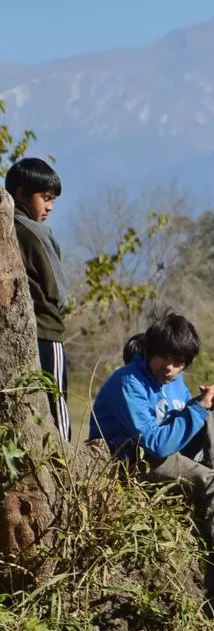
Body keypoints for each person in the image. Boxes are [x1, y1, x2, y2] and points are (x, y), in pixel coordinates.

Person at [90, 313, 214, 614]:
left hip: (163, 455)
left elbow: (180, 422)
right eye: (163, 357)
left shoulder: (175, 381)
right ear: (149, 352)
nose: (169, 367)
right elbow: (156, 444)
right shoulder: (127, 383)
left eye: (178, 361)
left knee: (212, 414)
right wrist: (197, 411)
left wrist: (206, 405)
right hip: (132, 463)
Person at [8, 157, 71, 441]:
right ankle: (67, 469)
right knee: (57, 404)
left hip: (16, 335)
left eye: (53, 200)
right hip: (47, 330)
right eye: (45, 198)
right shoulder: (36, 232)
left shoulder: (6, 228)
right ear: (21, 193)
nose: (49, 207)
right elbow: (59, 291)